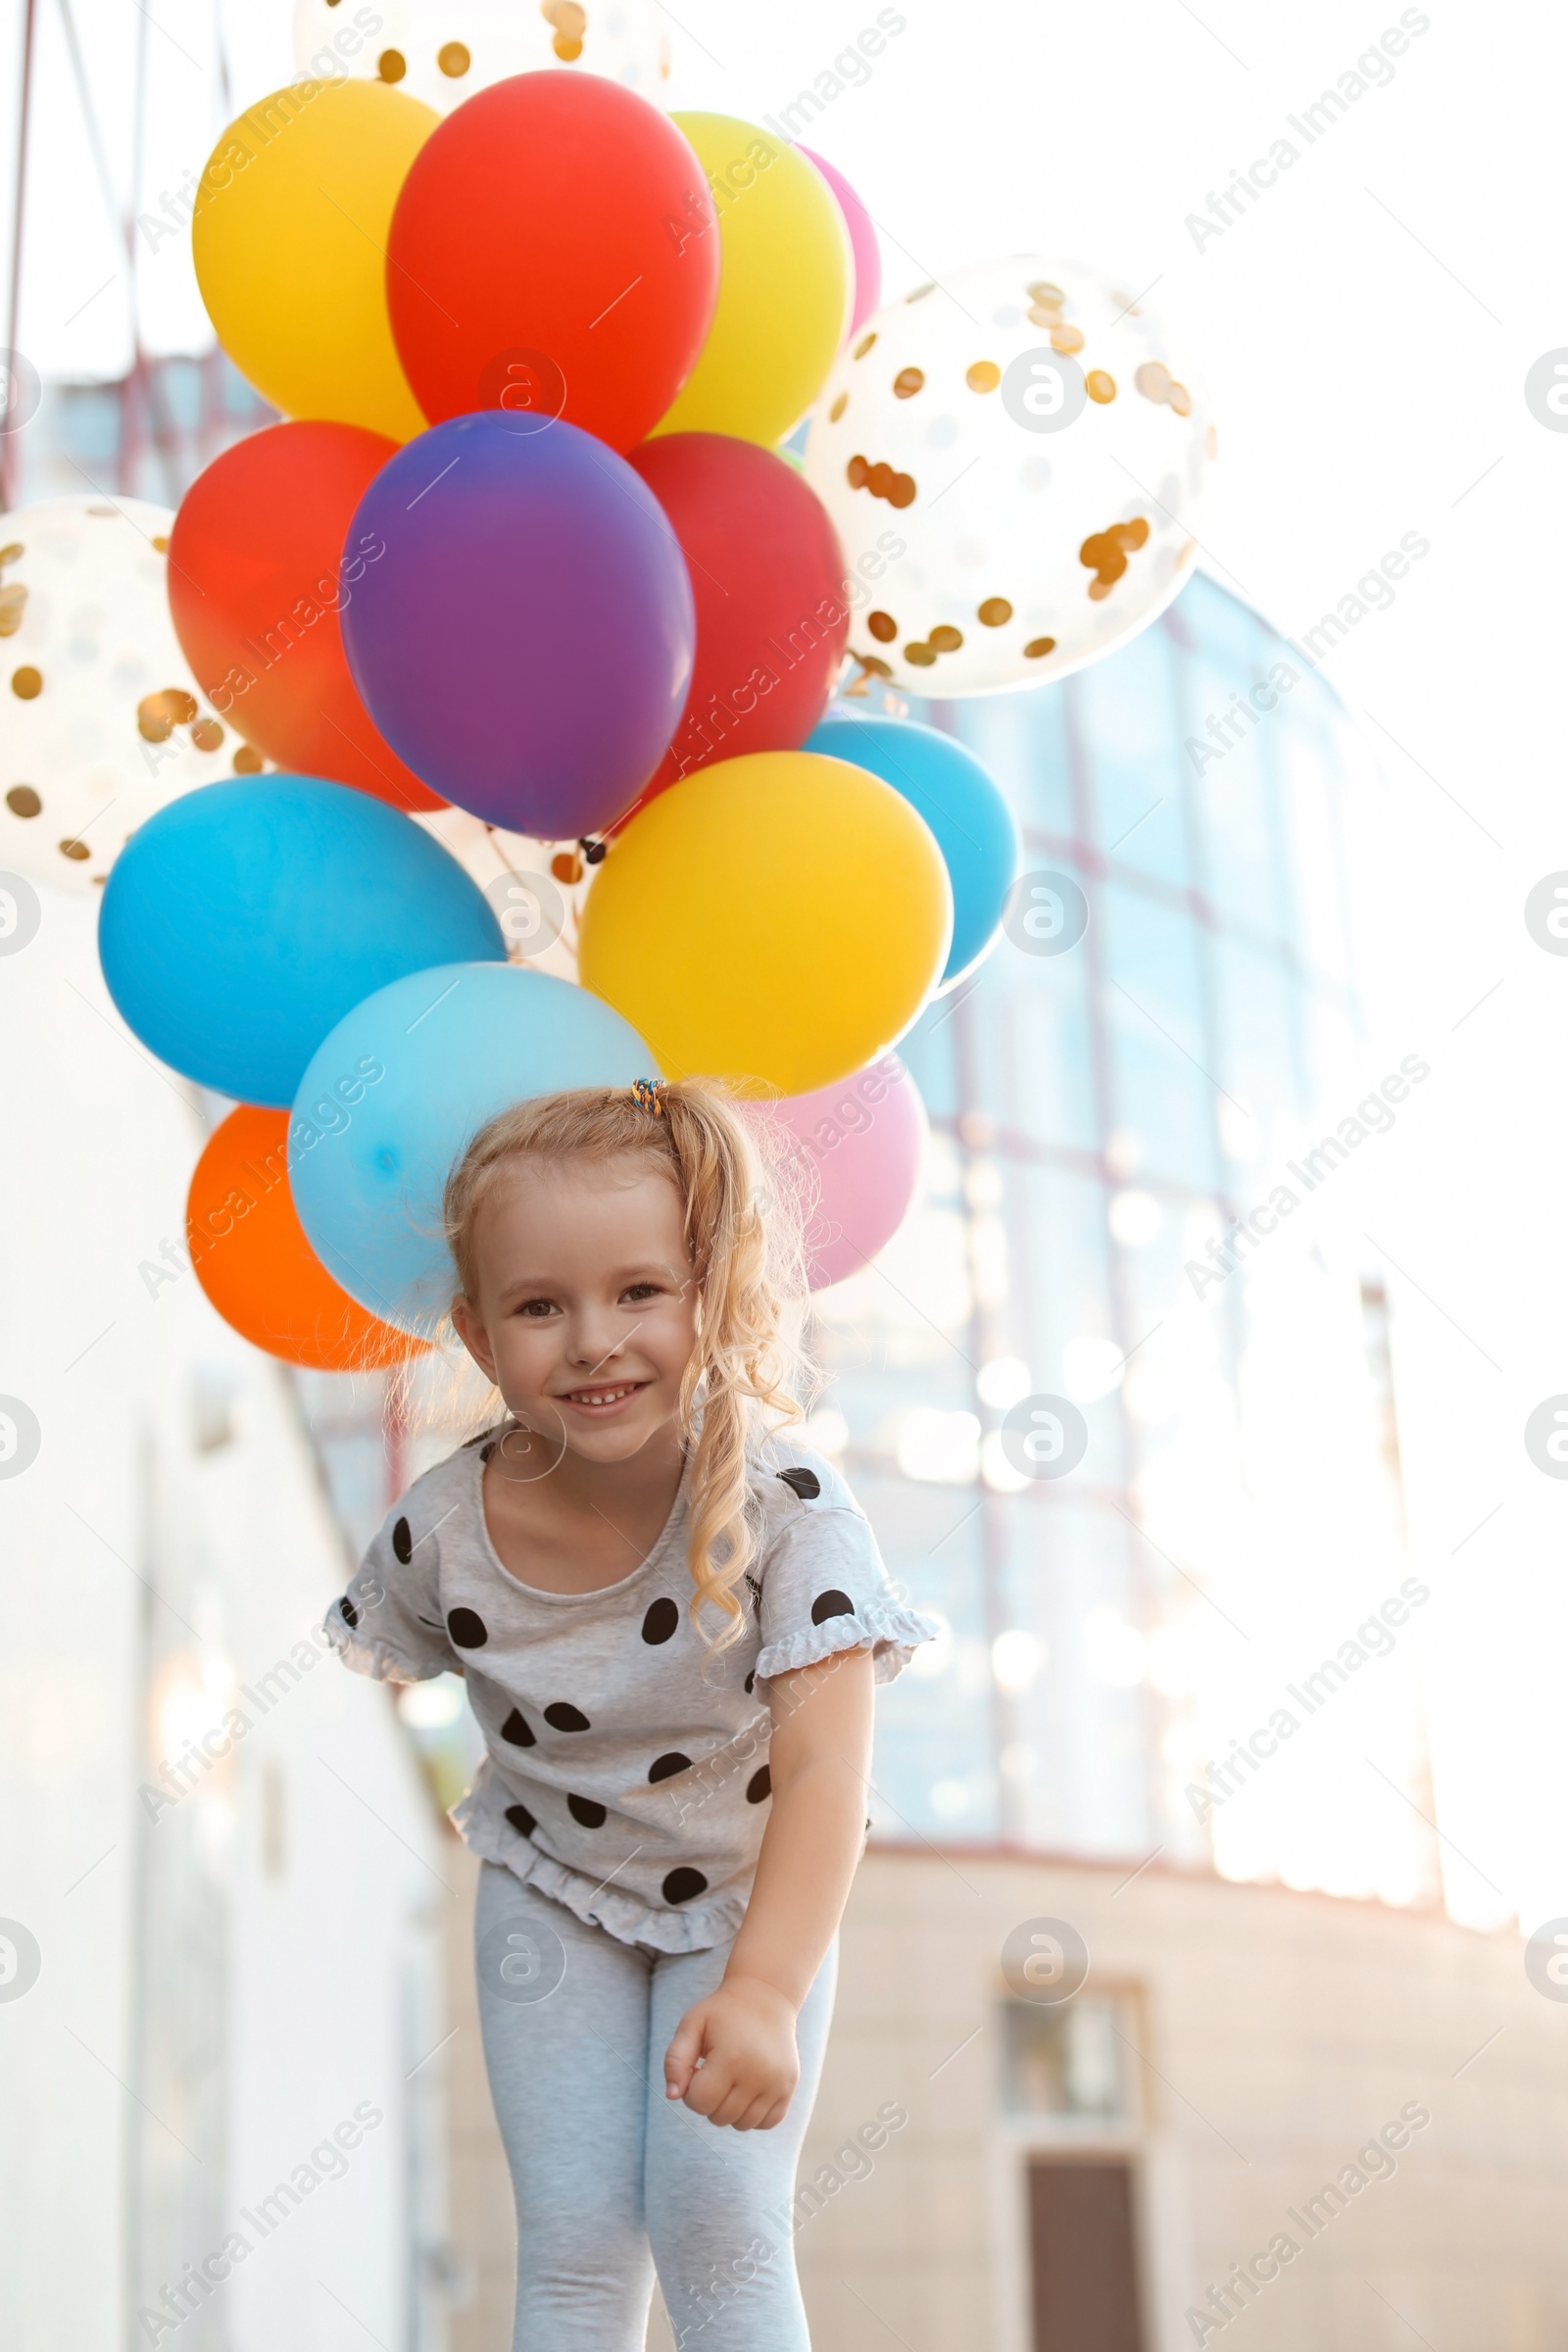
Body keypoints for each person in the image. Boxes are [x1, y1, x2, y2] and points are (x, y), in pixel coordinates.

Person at [325, 1077, 934, 2350]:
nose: (594, 1338)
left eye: (640, 1292)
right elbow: (390, 1675)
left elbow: (827, 1778)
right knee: (577, 2244)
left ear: (709, 1292)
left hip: (742, 1895)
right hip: (551, 1884)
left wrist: (766, 1988)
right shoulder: (437, 1530)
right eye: (541, 1307)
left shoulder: (792, 1511)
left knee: (716, 2218)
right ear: (481, 1338)